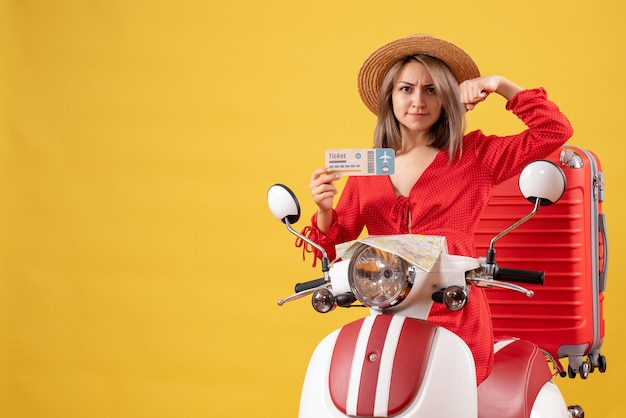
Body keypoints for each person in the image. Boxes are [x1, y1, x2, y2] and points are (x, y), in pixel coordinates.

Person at [296, 33, 573, 385]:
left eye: (431, 90)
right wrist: (324, 208)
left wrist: (499, 84)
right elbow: (333, 249)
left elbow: (554, 130)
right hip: (387, 317)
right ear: (389, 98)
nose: (418, 101)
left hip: (454, 312)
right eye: (406, 89)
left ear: (447, 97)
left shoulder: (474, 156)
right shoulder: (369, 169)